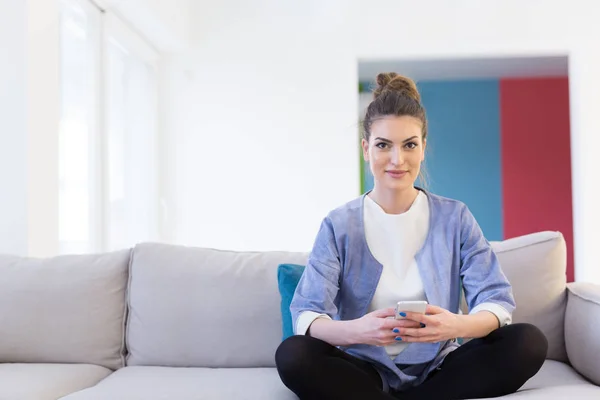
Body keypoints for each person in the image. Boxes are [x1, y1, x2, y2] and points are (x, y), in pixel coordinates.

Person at [275, 72, 548, 400]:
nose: (397, 159)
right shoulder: (338, 224)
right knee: (293, 354)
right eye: (383, 145)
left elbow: (496, 301)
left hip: (439, 367)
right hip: (363, 368)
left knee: (529, 341)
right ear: (366, 149)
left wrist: (455, 326)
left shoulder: (455, 217)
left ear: (423, 149)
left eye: (409, 145)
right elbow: (307, 313)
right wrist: (358, 330)